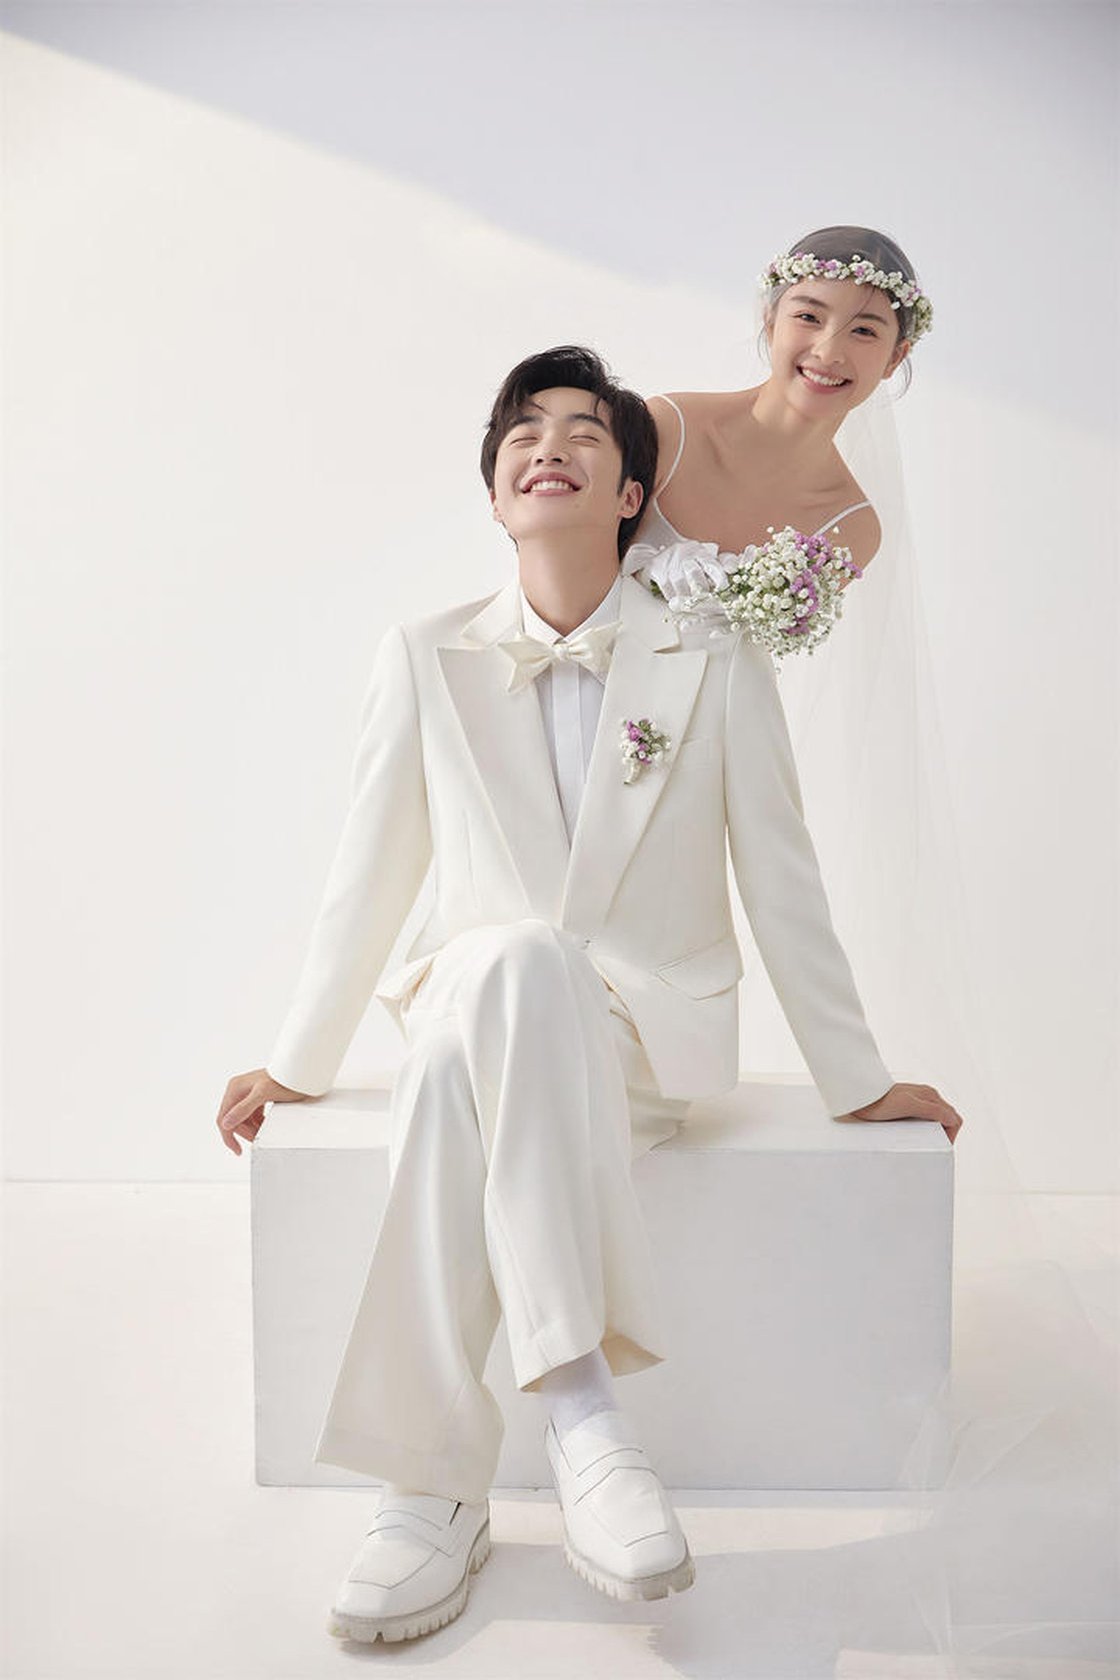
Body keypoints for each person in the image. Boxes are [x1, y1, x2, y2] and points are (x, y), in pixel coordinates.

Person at [215, 345, 962, 1646]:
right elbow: (369, 869)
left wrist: (858, 1076)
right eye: (522, 434)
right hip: (480, 1007)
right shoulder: (424, 653)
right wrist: (297, 1061)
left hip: (638, 1043)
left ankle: (431, 1491)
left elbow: (780, 874)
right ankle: (582, 1418)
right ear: (495, 494)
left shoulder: (713, 655)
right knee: (506, 969)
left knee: (478, 1032)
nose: (546, 445)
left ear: (629, 494)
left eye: (582, 432)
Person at [629, 224, 926, 579]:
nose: (828, 352)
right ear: (770, 323)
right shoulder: (667, 428)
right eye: (808, 317)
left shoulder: (850, 531)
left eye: (864, 331)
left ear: (895, 358)